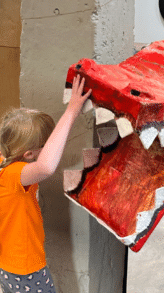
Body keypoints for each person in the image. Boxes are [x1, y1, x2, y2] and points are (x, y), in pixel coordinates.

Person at [0, 75, 91, 293]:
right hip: (25, 268)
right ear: (29, 154)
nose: (51, 146)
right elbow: (46, 167)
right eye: (46, 144)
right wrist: (71, 112)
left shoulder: (4, 162)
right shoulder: (13, 174)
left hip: (7, 264)